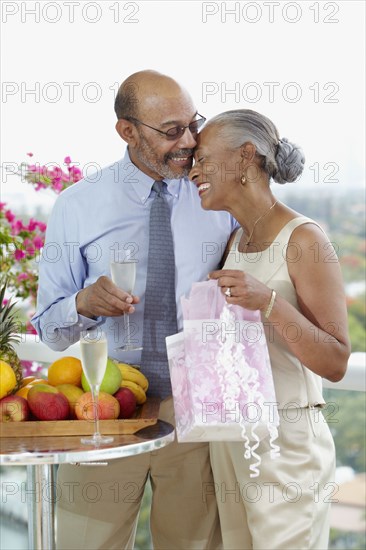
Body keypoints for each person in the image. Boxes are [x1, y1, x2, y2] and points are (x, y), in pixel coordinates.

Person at [32, 70, 238, 549]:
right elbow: (49, 329)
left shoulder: (216, 197)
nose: (188, 141)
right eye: (171, 131)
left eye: (193, 124)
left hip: (196, 413)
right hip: (105, 413)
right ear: (127, 131)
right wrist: (82, 304)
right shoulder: (78, 205)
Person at [188, 109, 351, 550]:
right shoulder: (233, 243)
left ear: (245, 157)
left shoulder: (305, 240)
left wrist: (269, 302)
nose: (193, 171)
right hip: (232, 441)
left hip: (288, 447)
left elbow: (336, 361)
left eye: (202, 159)